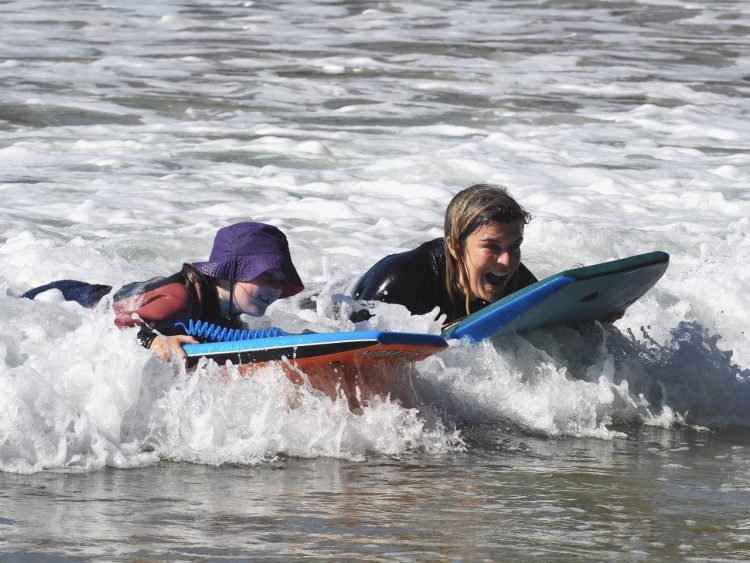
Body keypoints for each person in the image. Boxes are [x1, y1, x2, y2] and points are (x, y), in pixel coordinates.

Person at [22, 222, 304, 360]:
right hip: (65, 299)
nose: (277, 288)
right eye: (267, 275)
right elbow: (119, 328)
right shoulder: (178, 298)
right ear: (231, 271)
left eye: (282, 279)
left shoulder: (228, 311)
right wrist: (153, 341)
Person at [351, 184, 536, 327]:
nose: (507, 260)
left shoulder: (517, 281)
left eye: (514, 246)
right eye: (492, 247)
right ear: (455, 247)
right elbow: (348, 349)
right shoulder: (399, 280)